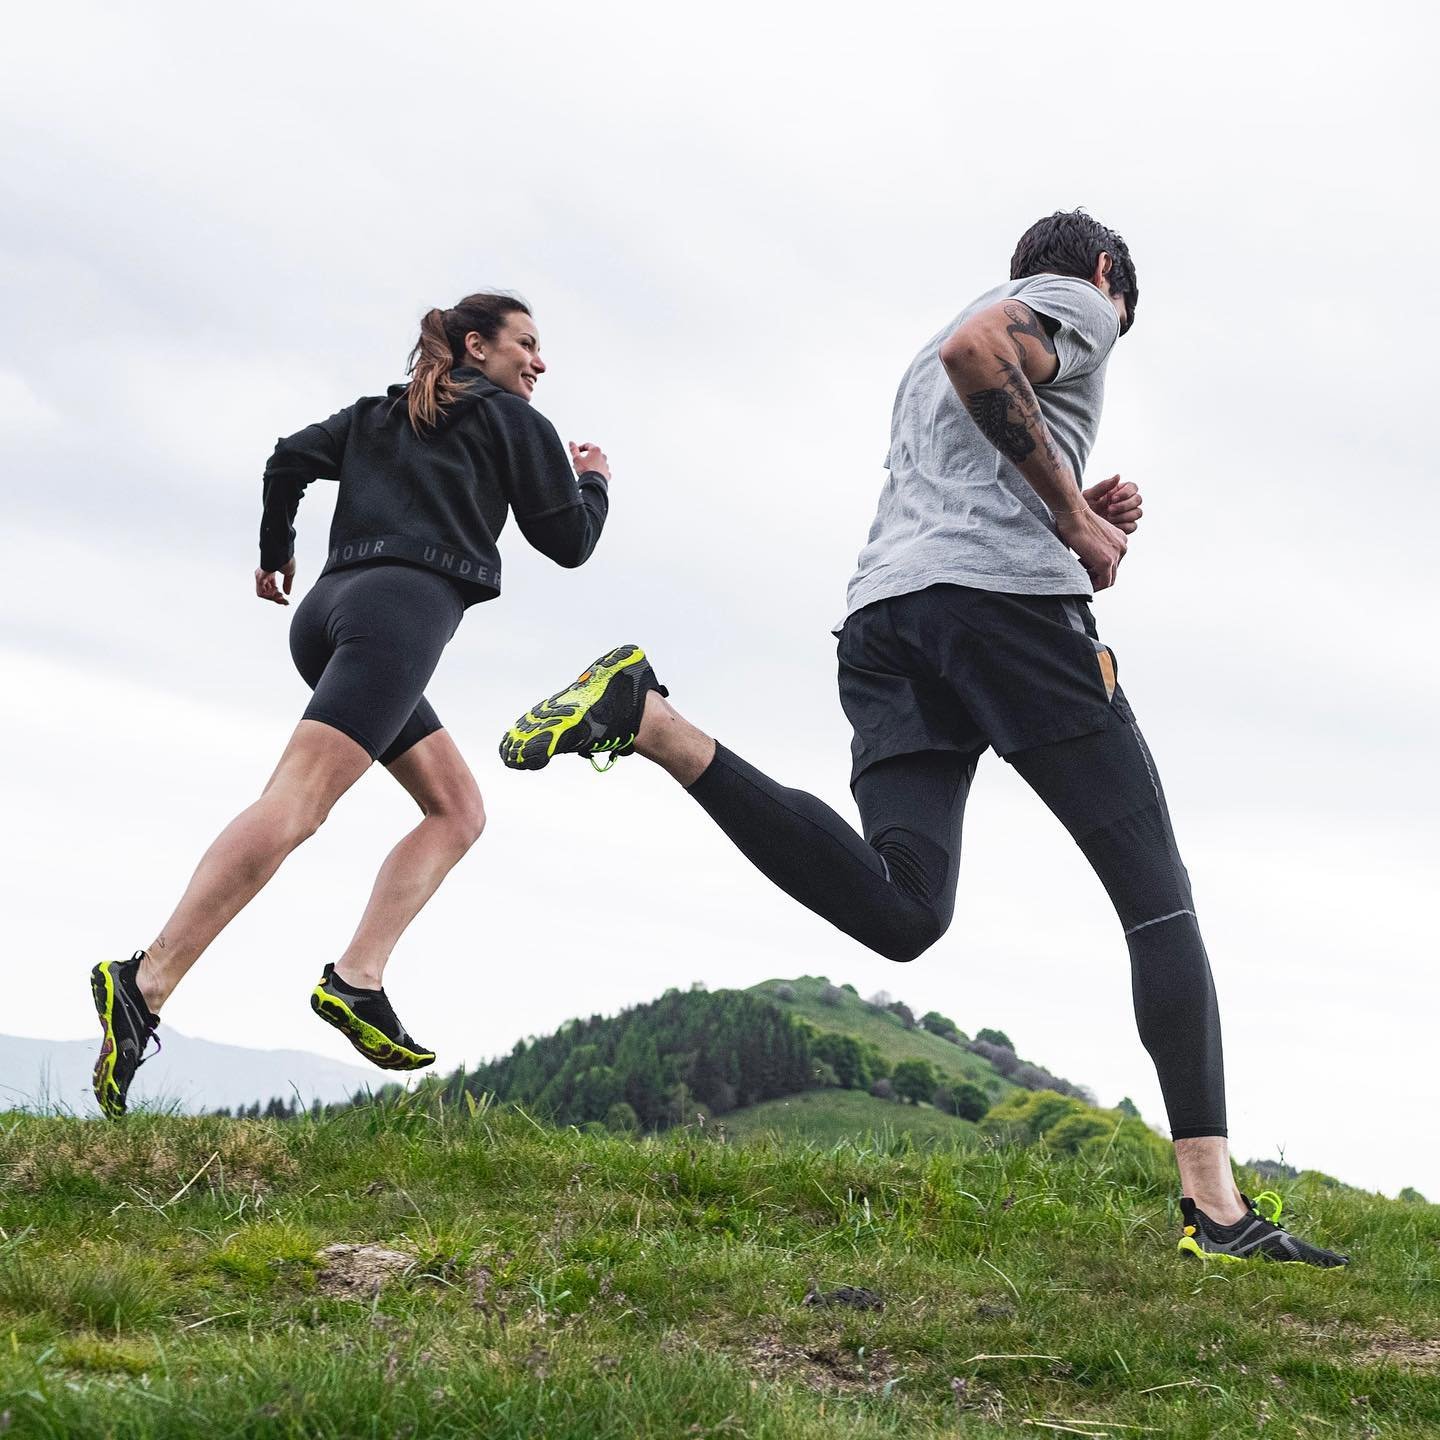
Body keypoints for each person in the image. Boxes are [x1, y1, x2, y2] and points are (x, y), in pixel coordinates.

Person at [499, 213, 1348, 1267]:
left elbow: (969, 452)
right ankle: (1217, 1210)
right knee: (1156, 895)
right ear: (1098, 274)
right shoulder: (1078, 300)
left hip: (888, 621)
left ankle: (652, 721)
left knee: (905, 909)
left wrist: (1072, 495)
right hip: (1005, 621)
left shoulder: (917, 359)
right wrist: (1079, 528)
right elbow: (982, 354)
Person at [90, 292, 612, 1118]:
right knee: (295, 806)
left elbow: (287, 458)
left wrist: (274, 554)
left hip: (329, 615)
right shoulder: (516, 423)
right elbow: (570, 544)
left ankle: (356, 981)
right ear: (478, 347)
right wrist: (591, 482)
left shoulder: (379, 414)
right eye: (529, 345)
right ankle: (145, 982)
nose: (540, 363)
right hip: (398, 619)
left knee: (458, 811)